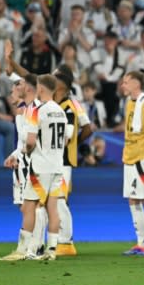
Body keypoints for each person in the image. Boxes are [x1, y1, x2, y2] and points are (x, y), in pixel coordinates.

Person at [17, 75, 69, 260]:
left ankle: (26, 250)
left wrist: (26, 150)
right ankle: (51, 250)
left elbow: (30, 141)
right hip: (56, 166)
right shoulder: (61, 111)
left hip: (40, 166)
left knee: (29, 206)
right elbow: (66, 139)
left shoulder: (37, 111)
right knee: (52, 208)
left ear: (40, 89)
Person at [0, 74, 45, 261]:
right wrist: (14, 155)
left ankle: (36, 246)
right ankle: (31, 246)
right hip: (23, 160)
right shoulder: (23, 110)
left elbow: (30, 141)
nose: (11, 92)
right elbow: (21, 142)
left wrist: (21, 155)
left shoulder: (34, 109)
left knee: (33, 205)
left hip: (31, 162)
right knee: (24, 206)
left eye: (14, 88)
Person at [52, 69, 92, 256]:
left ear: (62, 84)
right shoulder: (55, 103)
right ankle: (57, 240)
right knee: (53, 199)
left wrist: (75, 144)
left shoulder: (69, 106)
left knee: (60, 199)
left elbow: (84, 130)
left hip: (63, 159)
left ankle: (66, 242)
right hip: (53, 158)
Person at [120, 71, 144, 256]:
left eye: (126, 82)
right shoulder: (129, 103)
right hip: (129, 156)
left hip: (143, 159)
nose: (123, 85)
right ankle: (141, 243)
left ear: (136, 84)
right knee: (133, 199)